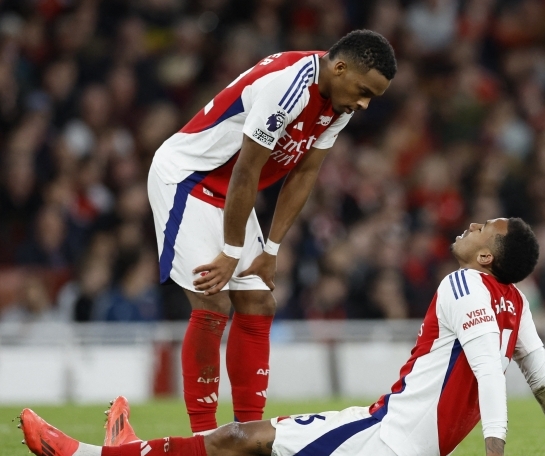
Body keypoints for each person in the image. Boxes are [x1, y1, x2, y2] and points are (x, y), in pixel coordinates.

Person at [19, 218, 545, 456]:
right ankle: (131, 450)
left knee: (240, 438)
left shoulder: (464, 282)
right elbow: (544, 383)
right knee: (248, 452)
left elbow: (492, 374)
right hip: (393, 432)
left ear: (488, 256)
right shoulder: (515, 306)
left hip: (388, 439)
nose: (470, 226)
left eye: (482, 228)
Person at [146, 30, 397, 434]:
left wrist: (273, 248)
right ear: (340, 67)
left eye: (373, 97)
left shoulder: (340, 104)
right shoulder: (289, 85)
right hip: (187, 179)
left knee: (260, 304)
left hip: (228, 193)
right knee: (213, 302)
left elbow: (304, 172)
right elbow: (248, 167)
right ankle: (205, 437)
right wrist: (230, 251)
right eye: (364, 91)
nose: (364, 103)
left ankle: (248, 436)